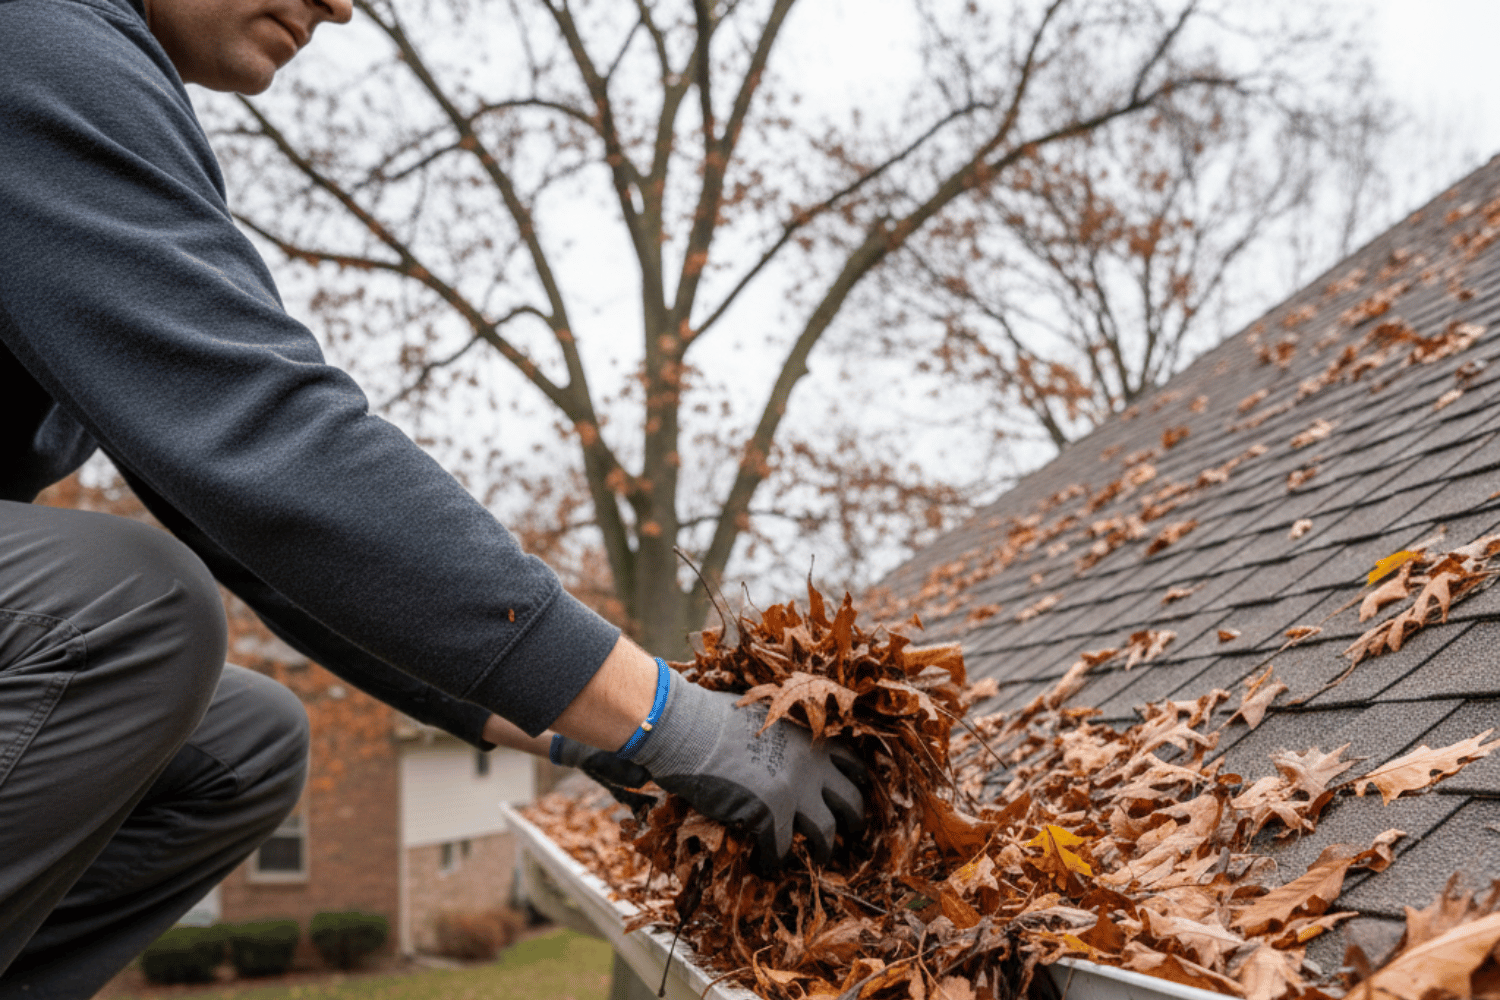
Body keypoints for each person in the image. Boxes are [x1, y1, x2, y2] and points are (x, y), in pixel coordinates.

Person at [0, 0, 865, 992]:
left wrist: (601, 737)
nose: (342, 4)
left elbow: (248, 527)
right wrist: (673, 716)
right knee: (129, 606)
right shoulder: (35, 40)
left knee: (241, 746)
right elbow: (272, 444)